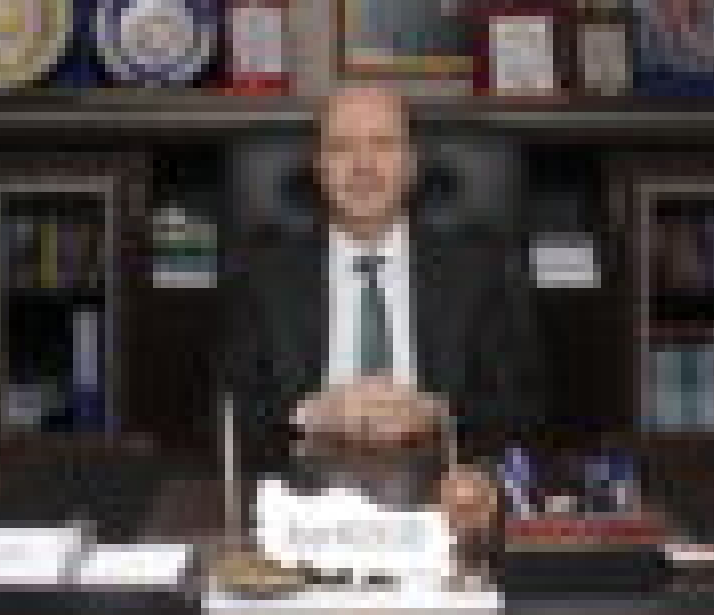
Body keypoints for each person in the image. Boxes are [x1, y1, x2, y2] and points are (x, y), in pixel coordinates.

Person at [214, 85, 543, 531]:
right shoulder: (262, 276)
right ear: (319, 166)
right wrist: (309, 415)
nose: (363, 166)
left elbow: (519, 408)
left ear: (410, 164)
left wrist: (436, 415)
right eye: (342, 147)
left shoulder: (476, 272)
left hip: (438, 501)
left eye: (382, 144)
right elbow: (227, 413)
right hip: (305, 504)